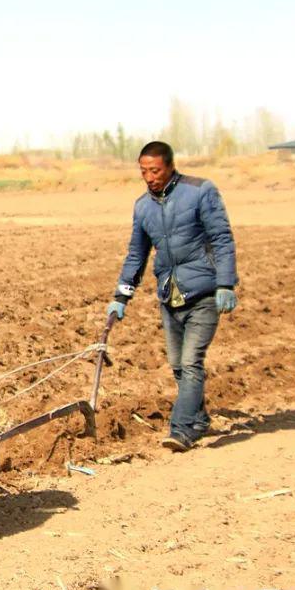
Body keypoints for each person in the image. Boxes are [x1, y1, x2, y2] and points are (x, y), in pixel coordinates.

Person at [107, 141, 238, 451]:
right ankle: (199, 419)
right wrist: (121, 295)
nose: (150, 177)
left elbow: (222, 238)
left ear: (169, 166)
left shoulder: (200, 191)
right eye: (144, 171)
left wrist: (225, 284)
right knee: (178, 366)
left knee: (192, 362)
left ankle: (180, 430)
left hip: (204, 291)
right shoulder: (143, 206)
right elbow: (137, 253)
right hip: (170, 294)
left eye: (155, 170)